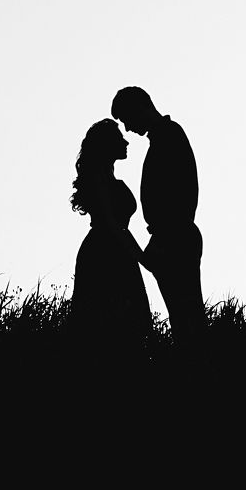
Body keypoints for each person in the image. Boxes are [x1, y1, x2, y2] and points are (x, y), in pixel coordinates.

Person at [111, 85, 205, 338]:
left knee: (187, 318)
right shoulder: (165, 137)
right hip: (171, 237)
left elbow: (183, 191)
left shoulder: (170, 136)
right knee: (183, 318)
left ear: (140, 107)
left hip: (175, 238)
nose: (127, 128)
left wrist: (166, 238)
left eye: (127, 119)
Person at [68, 118, 153, 345]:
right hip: (104, 253)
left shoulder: (106, 179)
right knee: (108, 324)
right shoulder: (100, 181)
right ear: (107, 145)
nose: (126, 142)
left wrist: (141, 258)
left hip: (116, 250)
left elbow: (118, 227)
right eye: (119, 138)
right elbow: (112, 225)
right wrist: (143, 259)